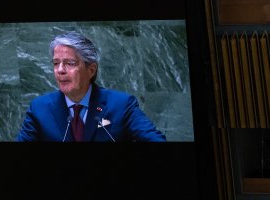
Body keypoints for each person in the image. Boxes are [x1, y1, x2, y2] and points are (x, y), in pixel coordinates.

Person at [16, 31, 166, 142]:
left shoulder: (122, 105)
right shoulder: (39, 108)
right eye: (56, 63)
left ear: (91, 70)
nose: (60, 70)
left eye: (70, 63)